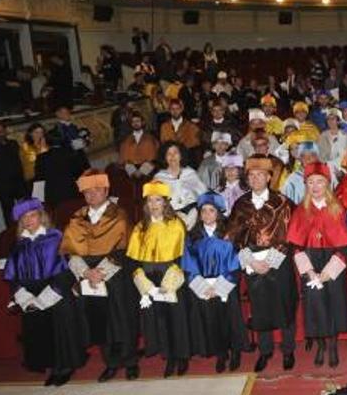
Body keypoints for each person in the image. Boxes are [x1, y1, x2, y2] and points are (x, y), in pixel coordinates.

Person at [60, 170, 139, 382]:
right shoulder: (77, 218)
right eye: (87, 191)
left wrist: (100, 272)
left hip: (115, 274)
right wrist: (86, 272)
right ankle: (111, 362)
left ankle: (130, 361)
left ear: (105, 190)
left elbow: (126, 250)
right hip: (88, 276)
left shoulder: (119, 215)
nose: (91, 195)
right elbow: (70, 251)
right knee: (100, 320)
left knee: (123, 318)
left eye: (96, 190)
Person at [224, 155, 297, 372]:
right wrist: (251, 261)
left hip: (278, 260)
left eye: (260, 175)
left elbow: (289, 236)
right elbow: (233, 237)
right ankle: (265, 351)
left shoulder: (282, 202)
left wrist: (271, 261)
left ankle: (288, 349)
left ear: (268, 177)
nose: (256, 179)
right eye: (252, 175)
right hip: (252, 261)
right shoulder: (241, 204)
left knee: (285, 303)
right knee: (259, 306)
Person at [4, 198, 87, 386]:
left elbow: (66, 270)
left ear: (41, 216)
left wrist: (51, 294)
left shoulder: (56, 237)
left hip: (56, 289)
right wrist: (22, 295)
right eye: (24, 217)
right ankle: (51, 365)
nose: (29, 220)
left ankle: (65, 367)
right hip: (31, 292)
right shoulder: (19, 246)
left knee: (60, 329)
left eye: (32, 215)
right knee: (41, 331)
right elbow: (13, 276)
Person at [287, 161, 347, 368]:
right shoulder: (300, 211)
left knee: (333, 303)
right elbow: (296, 247)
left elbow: (344, 247)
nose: (315, 186)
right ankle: (321, 345)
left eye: (320, 182)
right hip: (310, 263)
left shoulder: (337, 210)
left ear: (327, 184)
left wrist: (327, 273)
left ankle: (332, 346)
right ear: (306, 185)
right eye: (311, 182)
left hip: (332, 263)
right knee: (314, 306)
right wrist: (309, 272)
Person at [126, 180, 191, 378]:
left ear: (165, 203)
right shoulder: (140, 228)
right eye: (150, 200)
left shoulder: (175, 224)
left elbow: (181, 256)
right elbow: (134, 260)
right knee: (159, 319)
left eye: (158, 200)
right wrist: (144, 282)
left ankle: (182, 355)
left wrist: (169, 283)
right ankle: (168, 355)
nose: (154, 204)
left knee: (176, 317)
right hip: (149, 279)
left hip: (171, 276)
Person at [182, 192, 246, 373]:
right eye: (203, 211)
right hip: (204, 286)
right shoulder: (193, 237)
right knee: (212, 321)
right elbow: (189, 265)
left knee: (231, 319)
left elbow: (235, 262)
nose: (207, 215)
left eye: (211, 211)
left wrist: (220, 285)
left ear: (218, 212)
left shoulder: (228, 234)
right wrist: (203, 286)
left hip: (226, 284)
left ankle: (235, 352)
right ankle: (221, 353)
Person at [153, 141, 207, 230]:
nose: (172, 156)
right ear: (164, 157)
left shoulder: (190, 173)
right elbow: (155, 202)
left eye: (175, 153)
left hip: (194, 216)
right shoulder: (159, 177)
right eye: (169, 154)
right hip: (170, 218)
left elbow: (203, 194)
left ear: (181, 155)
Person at [0, 121, 29, 226]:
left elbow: (21, 161)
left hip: (19, 182)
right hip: (3, 185)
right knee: (8, 212)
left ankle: (28, 229)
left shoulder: (13, 143)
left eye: (0, 131)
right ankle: (12, 235)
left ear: (5, 131)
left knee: (26, 209)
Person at [35, 128, 90, 208]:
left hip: (54, 199)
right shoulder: (73, 153)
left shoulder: (42, 158)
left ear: (46, 142)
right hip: (75, 194)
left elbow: (39, 181)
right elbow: (82, 173)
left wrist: (38, 202)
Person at [119, 111, 160, 179]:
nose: (136, 123)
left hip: (148, 167)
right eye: (133, 121)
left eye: (137, 121)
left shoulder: (150, 138)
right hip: (132, 169)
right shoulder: (126, 140)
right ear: (131, 124)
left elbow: (154, 157)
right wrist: (133, 171)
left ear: (142, 122)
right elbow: (124, 159)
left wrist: (142, 171)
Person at [318, 108, 347, 174]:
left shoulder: (346, 135)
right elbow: (321, 156)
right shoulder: (323, 136)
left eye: (333, 119)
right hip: (328, 169)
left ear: (338, 121)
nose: (330, 121)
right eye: (328, 119)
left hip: (344, 168)